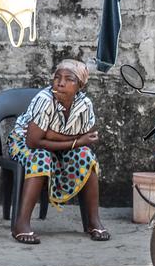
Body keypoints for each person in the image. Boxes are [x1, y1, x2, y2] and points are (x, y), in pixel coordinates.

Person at [8, 59, 108, 244]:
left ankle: (93, 222)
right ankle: (21, 224)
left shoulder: (84, 104)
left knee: (87, 155)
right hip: (22, 141)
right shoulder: (44, 99)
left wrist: (55, 136)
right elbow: (34, 141)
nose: (60, 83)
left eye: (68, 79)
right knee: (41, 157)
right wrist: (74, 141)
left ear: (79, 85)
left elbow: (88, 137)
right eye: (57, 78)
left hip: (54, 143)